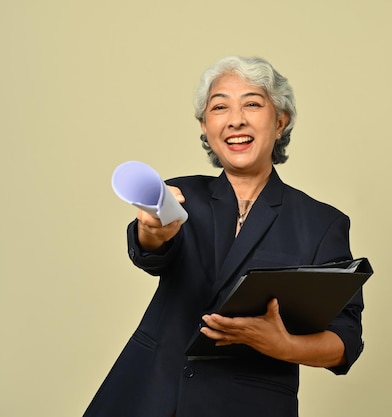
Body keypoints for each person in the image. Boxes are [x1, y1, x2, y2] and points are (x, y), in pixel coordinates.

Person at [83, 56, 365, 417]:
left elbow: (345, 340)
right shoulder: (181, 194)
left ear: (281, 121)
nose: (235, 119)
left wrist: (283, 345)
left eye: (252, 103)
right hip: (147, 394)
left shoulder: (322, 223)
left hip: (246, 404)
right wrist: (151, 230)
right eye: (219, 107)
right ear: (205, 126)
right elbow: (151, 253)